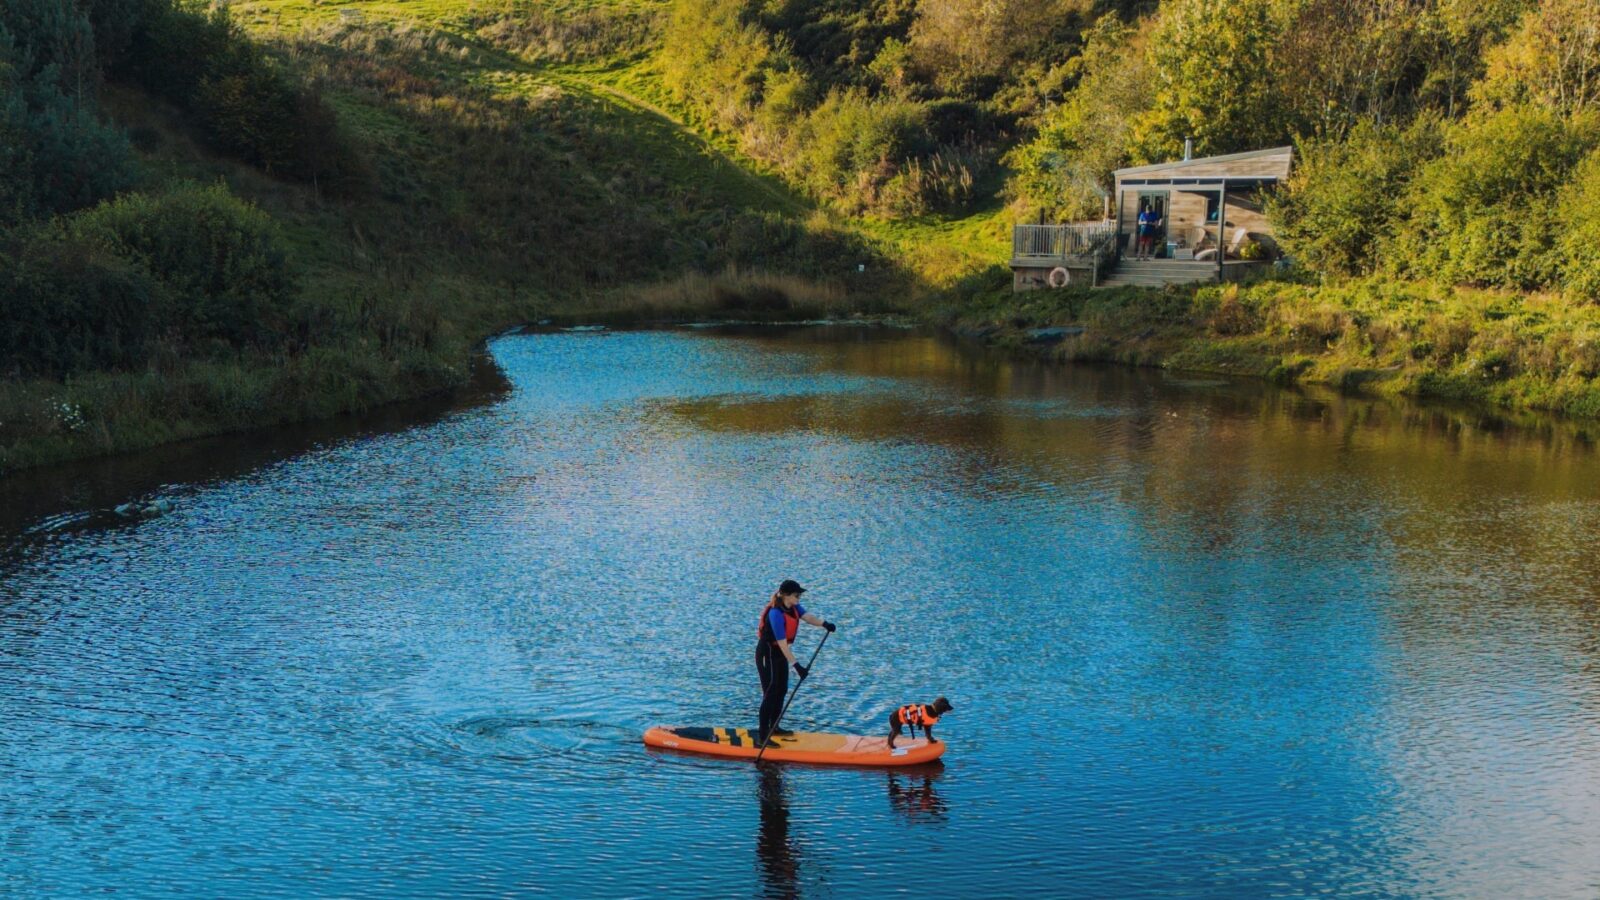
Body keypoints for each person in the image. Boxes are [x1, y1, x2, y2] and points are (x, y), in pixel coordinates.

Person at [756, 579, 835, 745]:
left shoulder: (793, 607)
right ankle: (763, 737)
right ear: (786, 595)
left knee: (782, 689)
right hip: (767, 653)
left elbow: (808, 617)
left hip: (779, 653)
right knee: (771, 693)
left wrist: (824, 624)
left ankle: (774, 727)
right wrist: (797, 666)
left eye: (799, 594)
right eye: (796, 595)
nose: (799, 597)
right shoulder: (775, 614)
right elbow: (783, 644)